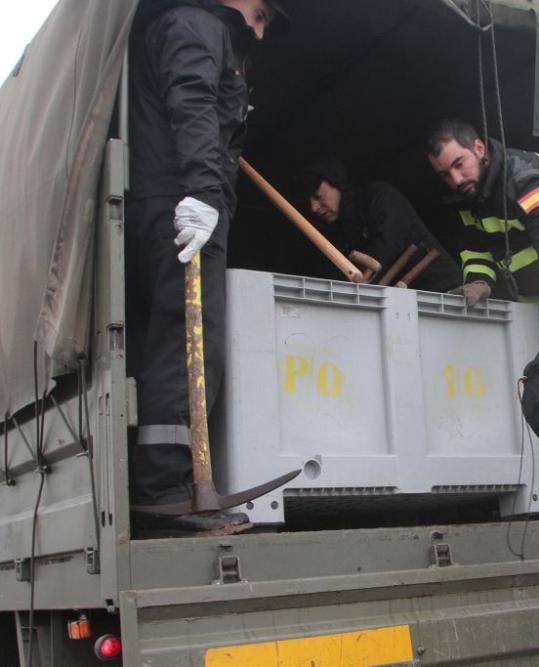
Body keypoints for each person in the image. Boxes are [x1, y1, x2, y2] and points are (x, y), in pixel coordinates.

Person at [125, 0, 287, 534]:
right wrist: (201, 191)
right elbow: (192, 103)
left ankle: (171, 484)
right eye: (262, 14)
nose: (260, 32)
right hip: (185, 204)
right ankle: (171, 489)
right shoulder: (197, 26)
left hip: (179, 200)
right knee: (189, 340)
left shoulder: (204, 32)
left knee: (177, 339)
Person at [425, 120, 539, 363]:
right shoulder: (466, 194)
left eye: (459, 164)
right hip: (536, 267)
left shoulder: (526, 179)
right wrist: (478, 280)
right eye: (445, 175)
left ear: (479, 148)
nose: (457, 179)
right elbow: (475, 245)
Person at [299, 154, 461, 292]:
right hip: (403, 304)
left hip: (445, 294)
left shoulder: (379, 197)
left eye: (318, 196)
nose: (314, 208)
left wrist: (351, 285)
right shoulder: (339, 229)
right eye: (309, 202)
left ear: (336, 183)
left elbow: (387, 247)